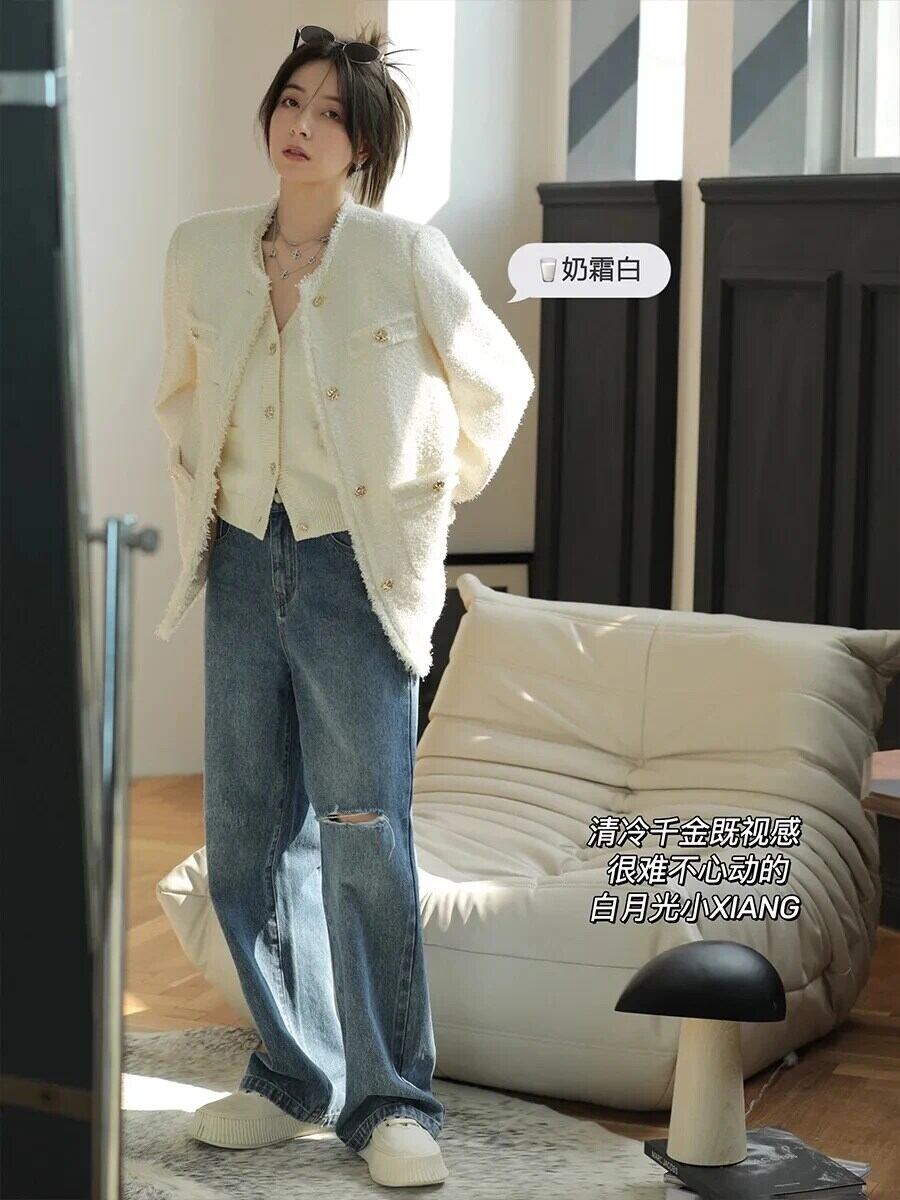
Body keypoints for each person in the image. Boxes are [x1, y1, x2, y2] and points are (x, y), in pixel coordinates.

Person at [152, 21, 534, 1190]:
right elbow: (180, 391)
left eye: (330, 112)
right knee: (245, 840)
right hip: (237, 560)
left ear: (362, 147)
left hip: (355, 571)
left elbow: (498, 385)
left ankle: (391, 1100)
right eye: (291, 100)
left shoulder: (404, 254)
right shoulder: (201, 249)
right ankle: (291, 1075)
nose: (302, 123)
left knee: (364, 836)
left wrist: (423, 500)